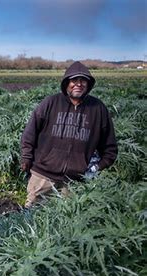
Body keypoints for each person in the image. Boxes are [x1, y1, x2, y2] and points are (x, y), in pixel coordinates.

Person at [20, 61, 118, 208]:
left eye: (83, 80)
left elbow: (110, 147)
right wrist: (26, 157)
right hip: (43, 175)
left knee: (68, 222)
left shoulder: (98, 109)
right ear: (66, 83)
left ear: (88, 84)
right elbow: (30, 133)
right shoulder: (51, 103)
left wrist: (97, 167)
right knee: (31, 214)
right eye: (74, 80)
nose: (78, 84)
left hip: (75, 180)